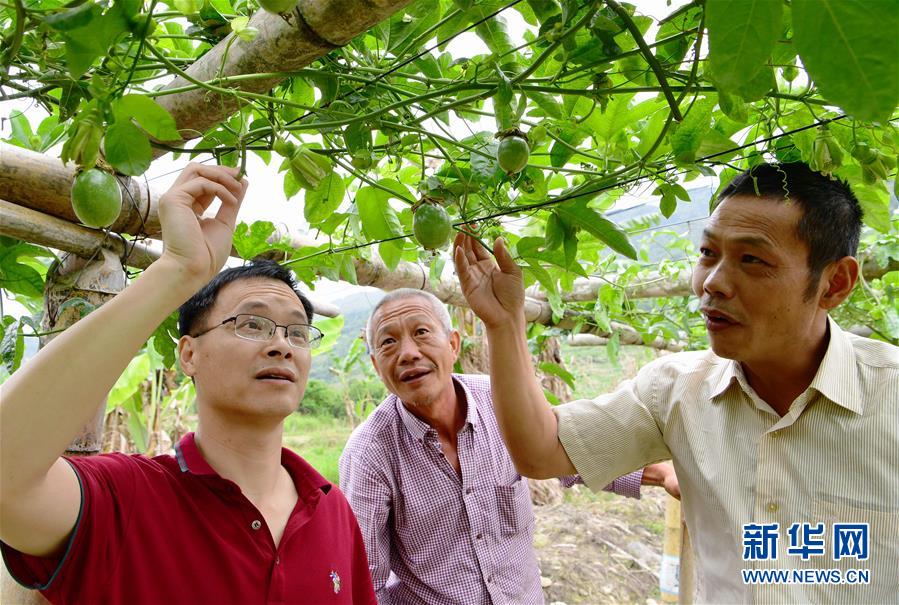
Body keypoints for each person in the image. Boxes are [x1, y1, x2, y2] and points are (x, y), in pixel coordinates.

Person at [453, 162, 899, 604]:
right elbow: (539, 450)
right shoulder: (675, 391)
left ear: (834, 284)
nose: (714, 282)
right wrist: (504, 323)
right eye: (708, 254)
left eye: (752, 259)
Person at [0, 164, 376, 605]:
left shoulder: (333, 511)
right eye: (252, 324)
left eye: (296, 332)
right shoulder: (125, 501)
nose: (281, 345)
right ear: (188, 355)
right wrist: (179, 269)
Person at [339, 287, 680, 604]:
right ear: (375, 365)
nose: (408, 353)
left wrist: (663, 474)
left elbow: (568, 450)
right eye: (388, 343)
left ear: (453, 345)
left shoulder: (500, 402)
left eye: (422, 333)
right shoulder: (370, 453)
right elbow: (363, 579)